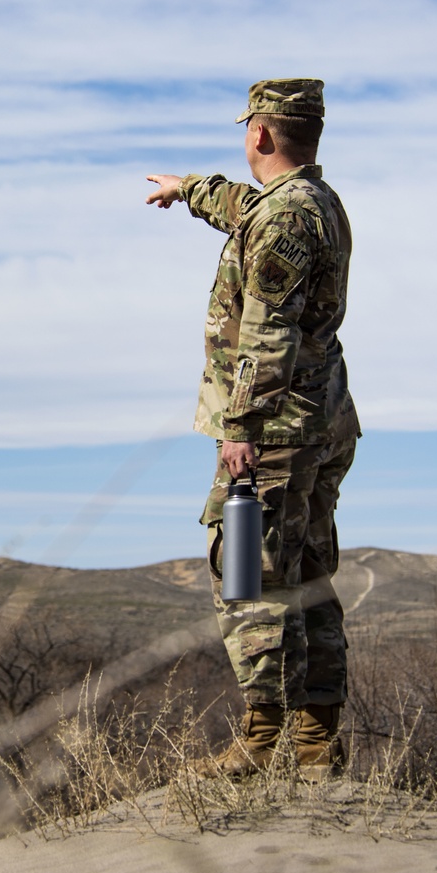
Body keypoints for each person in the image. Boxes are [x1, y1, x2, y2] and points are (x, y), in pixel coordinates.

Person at [145, 78, 360, 776]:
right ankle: (316, 745)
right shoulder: (312, 203)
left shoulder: (284, 218)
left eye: (247, 130)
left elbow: (266, 332)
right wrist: (189, 187)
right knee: (306, 571)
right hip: (321, 419)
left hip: (272, 429)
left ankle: (261, 742)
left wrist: (239, 423)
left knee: (247, 574)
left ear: (259, 135)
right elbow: (243, 205)